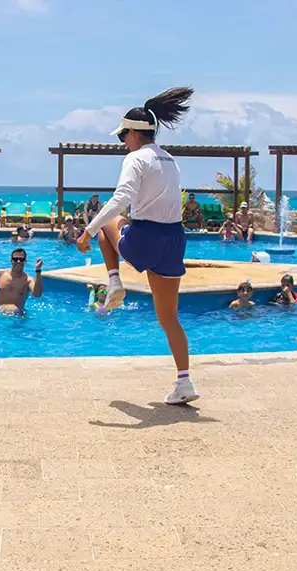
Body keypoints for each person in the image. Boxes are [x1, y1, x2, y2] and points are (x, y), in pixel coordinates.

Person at [75, 86, 199, 404]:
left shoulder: (135, 159)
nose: (122, 142)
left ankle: (114, 282)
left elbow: (120, 199)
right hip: (175, 240)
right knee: (168, 317)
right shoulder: (170, 160)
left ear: (133, 133)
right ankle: (185, 381)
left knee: (106, 224)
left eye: (123, 136)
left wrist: (88, 230)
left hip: (146, 238)